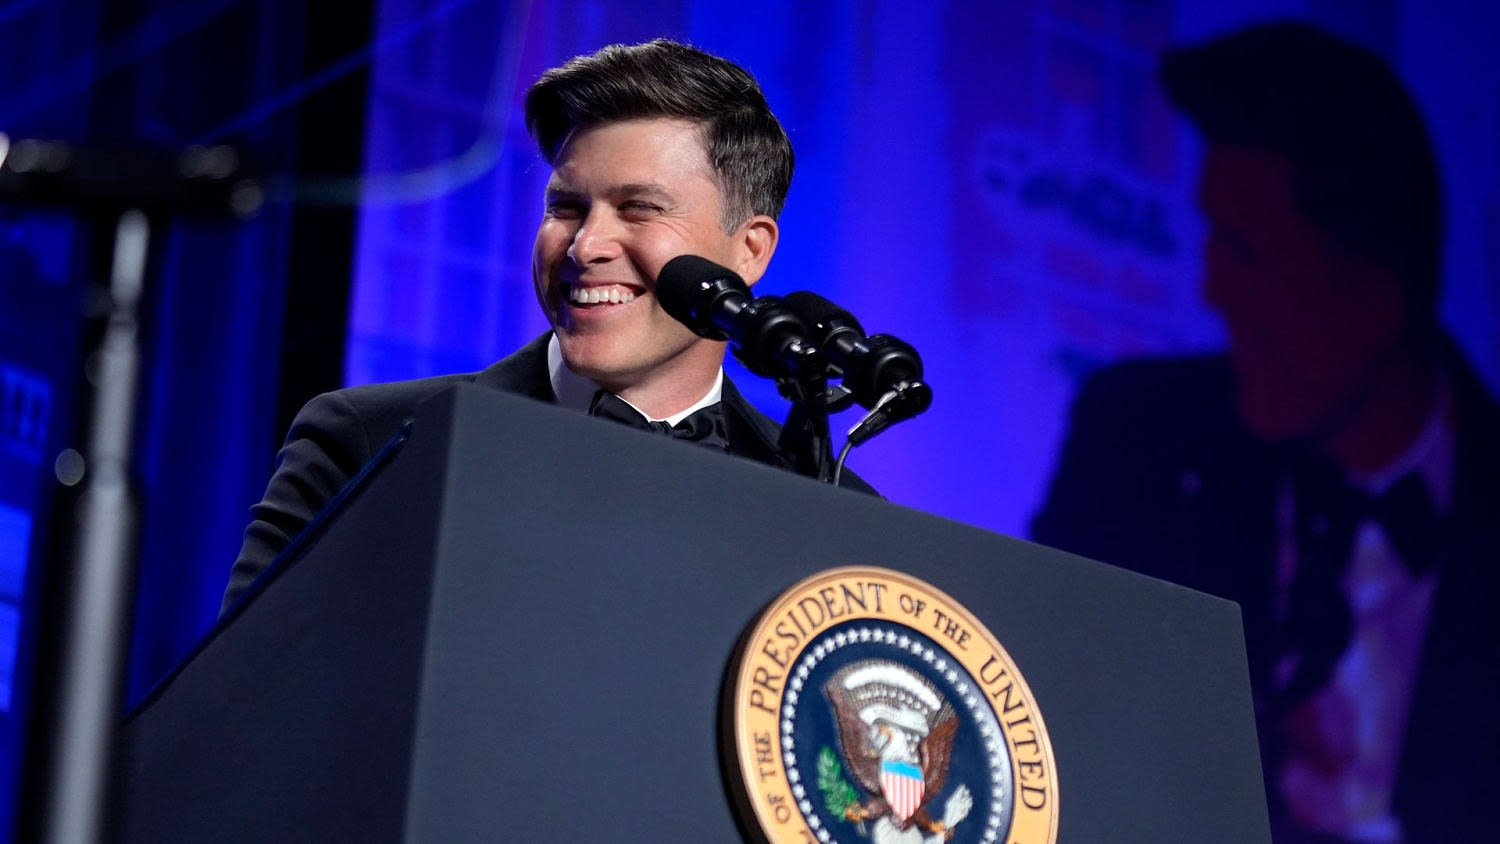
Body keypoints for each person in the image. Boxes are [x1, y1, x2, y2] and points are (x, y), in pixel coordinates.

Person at [1030, 22, 1498, 843]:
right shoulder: (1138, 438)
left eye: (1244, 252)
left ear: (1377, 290)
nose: (1211, 290)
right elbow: (1041, 721)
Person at [222, 39, 874, 612]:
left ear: (750, 251)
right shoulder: (367, 442)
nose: (586, 244)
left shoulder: (839, 509)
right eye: (566, 206)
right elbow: (242, 702)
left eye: (639, 208)